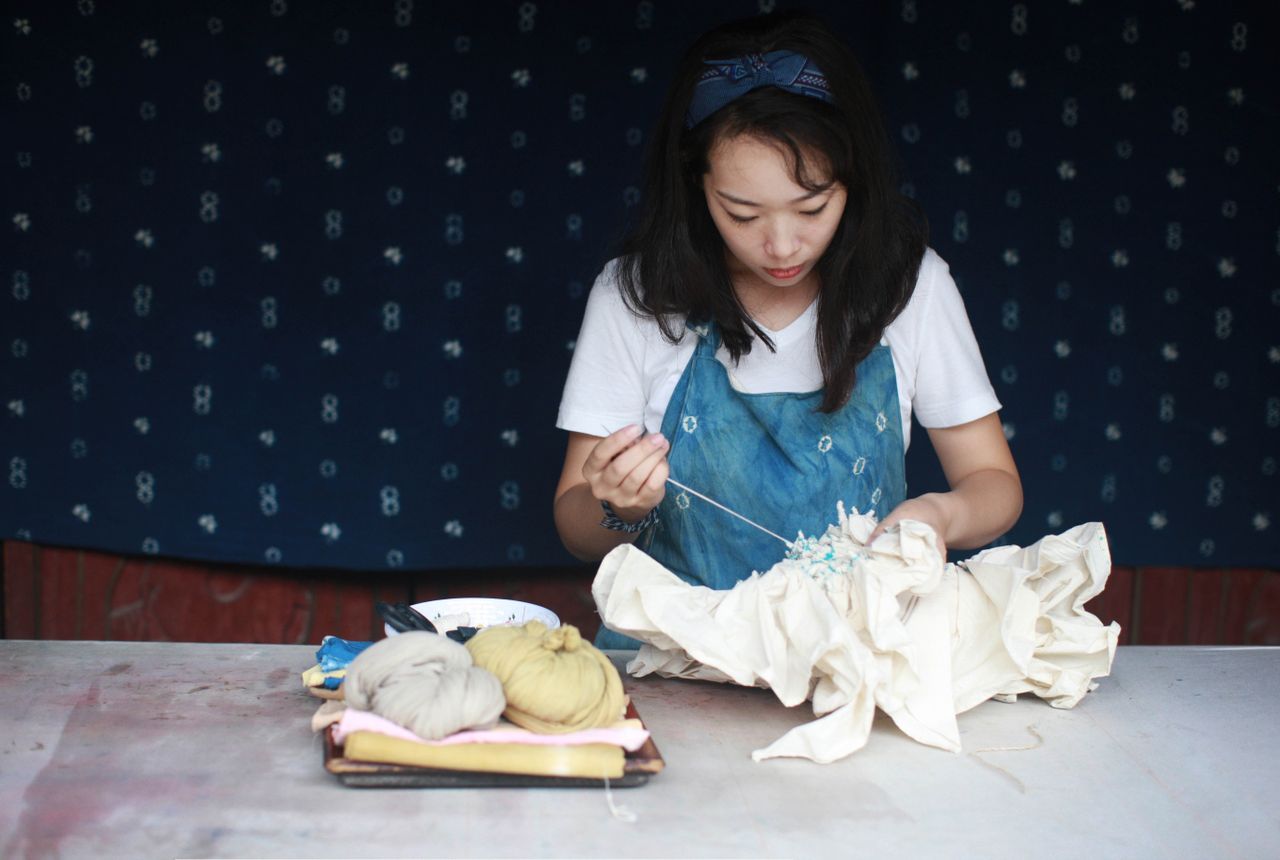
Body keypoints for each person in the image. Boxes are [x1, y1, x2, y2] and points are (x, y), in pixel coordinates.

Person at [553, 12, 1022, 648]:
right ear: (698, 187)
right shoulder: (637, 294)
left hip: (855, 657)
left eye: (812, 208)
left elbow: (994, 483)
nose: (780, 246)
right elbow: (576, 528)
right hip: (676, 663)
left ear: (851, 183)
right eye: (741, 213)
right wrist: (617, 503)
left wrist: (943, 514)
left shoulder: (909, 285)